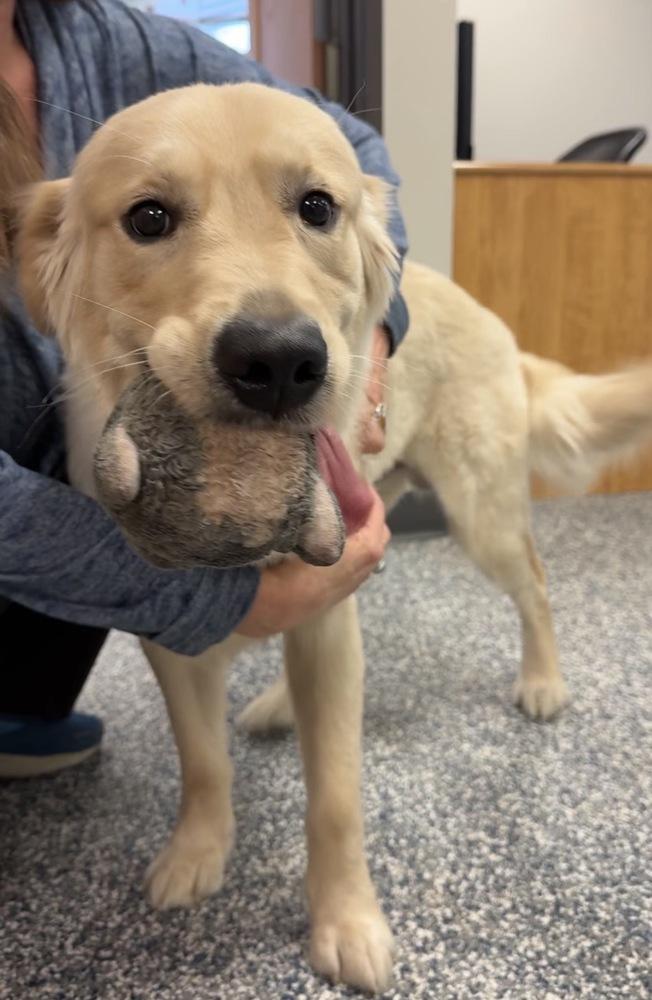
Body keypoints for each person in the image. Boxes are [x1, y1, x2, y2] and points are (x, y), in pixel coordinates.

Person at [0, 0, 409, 777]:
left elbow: (359, 155)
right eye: (152, 218)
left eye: (312, 208)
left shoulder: (104, 35)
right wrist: (221, 605)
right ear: (45, 264)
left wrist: (379, 339)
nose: (274, 347)